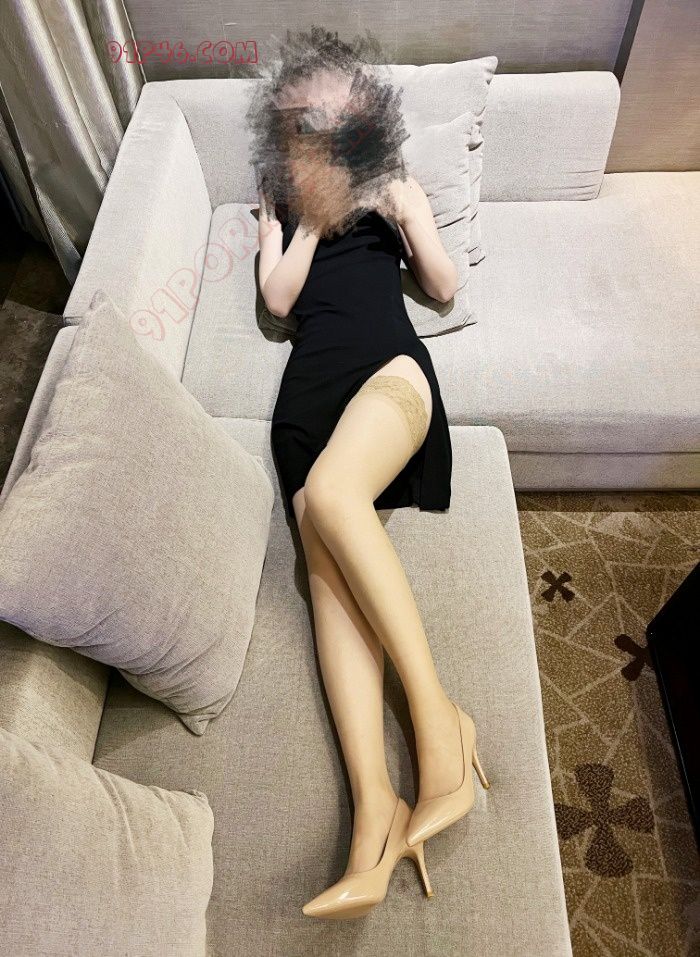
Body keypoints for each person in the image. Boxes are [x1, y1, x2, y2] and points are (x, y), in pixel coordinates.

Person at [253, 28, 490, 920]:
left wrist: (407, 211)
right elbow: (278, 300)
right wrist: (308, 221)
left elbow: (443, 286)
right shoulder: (281, 202)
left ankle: (439, 724)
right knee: (326, 573)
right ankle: (374, 812)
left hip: (390, 374)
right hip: (307, 402)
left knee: (333, 494)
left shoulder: (393, 181)